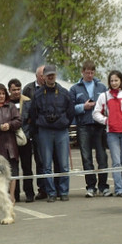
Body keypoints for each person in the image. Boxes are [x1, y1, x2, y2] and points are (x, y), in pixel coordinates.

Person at [29, 65, 74, 202]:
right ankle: (51, 193)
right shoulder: (37, 95)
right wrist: (41, 123)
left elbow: (70, 112)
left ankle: (64, 191)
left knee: (64, 164)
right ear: (43, 76)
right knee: (46, 164)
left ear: (56, 75)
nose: (50, 77)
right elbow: (33, 114)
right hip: (45, 132)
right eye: (48, 75)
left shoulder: (64, 93)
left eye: (52, 74)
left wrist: (63, 122)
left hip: (61, 131)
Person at [69, 60, 110, 197]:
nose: (90, 75)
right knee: (86, 158)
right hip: (83, 126)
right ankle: (91, 187)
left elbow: (108, 105)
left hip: (99, 126)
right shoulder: (75, 88)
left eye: (92, 73)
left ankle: (104, 186)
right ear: (83, 72)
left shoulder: (102, 87)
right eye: (87, 73)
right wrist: (83, 107)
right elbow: (70, 108)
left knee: (102, 156)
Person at [93, 70, 122, 197]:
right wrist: (106, 120)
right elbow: (95, 113)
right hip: (112, 133)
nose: (114, 83)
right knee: (116, 161)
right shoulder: (104, 96)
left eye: (116, 80)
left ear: (121, 81)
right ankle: (118, 189)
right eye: (112, 81)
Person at [22, 65, 47, 200]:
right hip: (31, 129)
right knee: (29, 162)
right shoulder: (28, 89)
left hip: (45, 129)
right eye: (42, 75)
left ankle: (44, 188)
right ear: (37, 76)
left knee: (42, 161)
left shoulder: (51, 87)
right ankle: (34, 190)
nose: (44, 77)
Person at [8, 78, 35, 202]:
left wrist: (27, 134)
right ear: (9, 90)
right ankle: (15, 194)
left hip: (25, 139)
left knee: (27, 167)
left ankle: (29, 193)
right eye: (14, 90)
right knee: (14, 168)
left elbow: (31, 119)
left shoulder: (28, 101)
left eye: (18, 89)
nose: (16, 92)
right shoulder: (6, 103)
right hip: (10, 140)